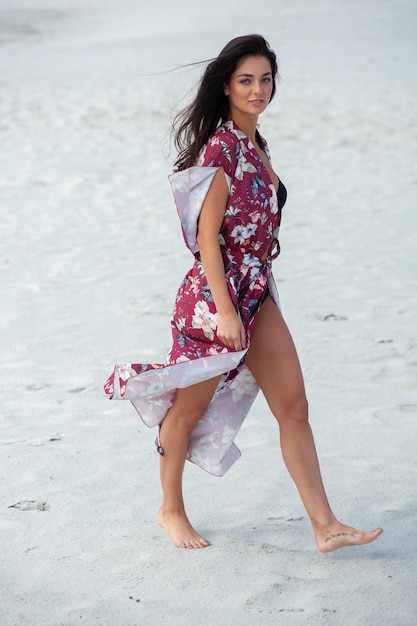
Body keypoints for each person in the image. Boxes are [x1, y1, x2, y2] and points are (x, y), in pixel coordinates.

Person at [104, 34, 383, 551]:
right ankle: (170, 509)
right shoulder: (222, 148)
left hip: (259, 291)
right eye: (246, 80)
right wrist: (226, 312)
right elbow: (206, 238)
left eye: (265, 79)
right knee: (186, 409)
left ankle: (325, 526)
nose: (258, 89)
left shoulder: (258, 144)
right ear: (228, 87)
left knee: (294, 406)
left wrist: (250, 301)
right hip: (216, 301)